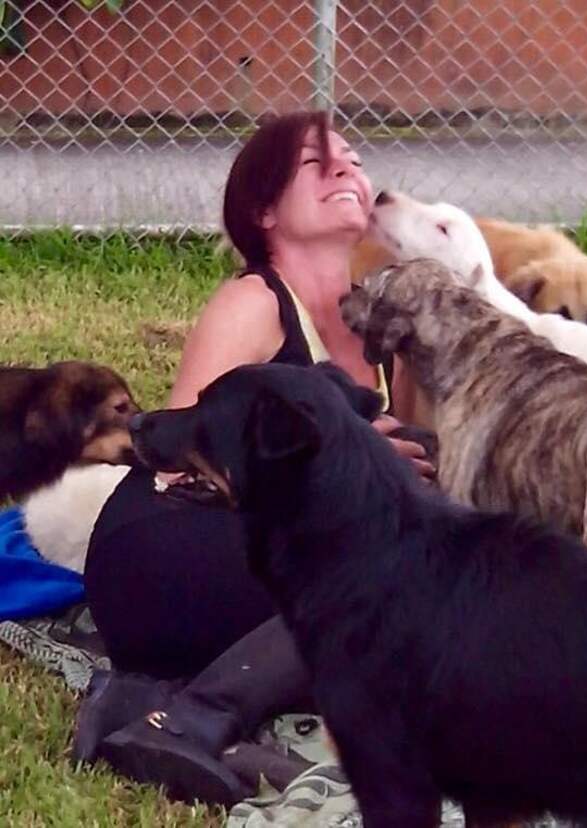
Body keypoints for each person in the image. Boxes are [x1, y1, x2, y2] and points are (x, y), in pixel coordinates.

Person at [77, 109, 435, 805]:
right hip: (161, 551)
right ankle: (191, 721)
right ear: (263, 210)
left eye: (354, 160)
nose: (346, 169)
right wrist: (346, 465)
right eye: (316, 163)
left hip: (260, 587)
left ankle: (152, 707)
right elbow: (176, 461)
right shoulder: (256, 302)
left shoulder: (384, 327)